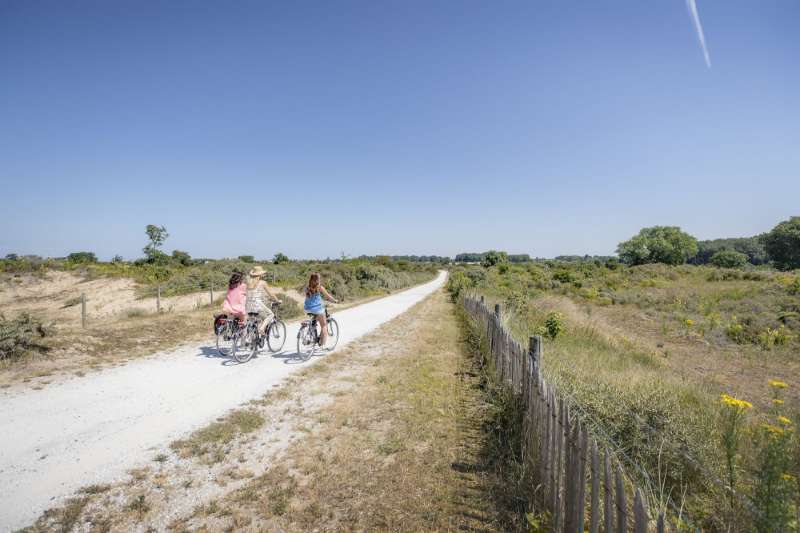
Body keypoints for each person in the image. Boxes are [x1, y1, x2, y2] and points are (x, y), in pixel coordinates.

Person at [303, 272, 338, 348]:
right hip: (317, 309)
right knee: (324, 325)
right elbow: (328, 297)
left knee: (315, 318)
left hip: (307, 308)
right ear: (318, 279)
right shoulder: (320, 287)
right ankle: (323, 345)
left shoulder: (307, 287)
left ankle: (312, 330)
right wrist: (334, 300)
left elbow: (308, 296)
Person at [245, 266, 280, 335]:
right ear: (260, 275)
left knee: (258, 318)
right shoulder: (262, 282)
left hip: (248, 305)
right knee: (270, 315)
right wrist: (277, 300)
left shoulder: (248, 282)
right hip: (257, 304)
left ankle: (252, 336)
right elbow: (271, 294)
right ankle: (262, 328)